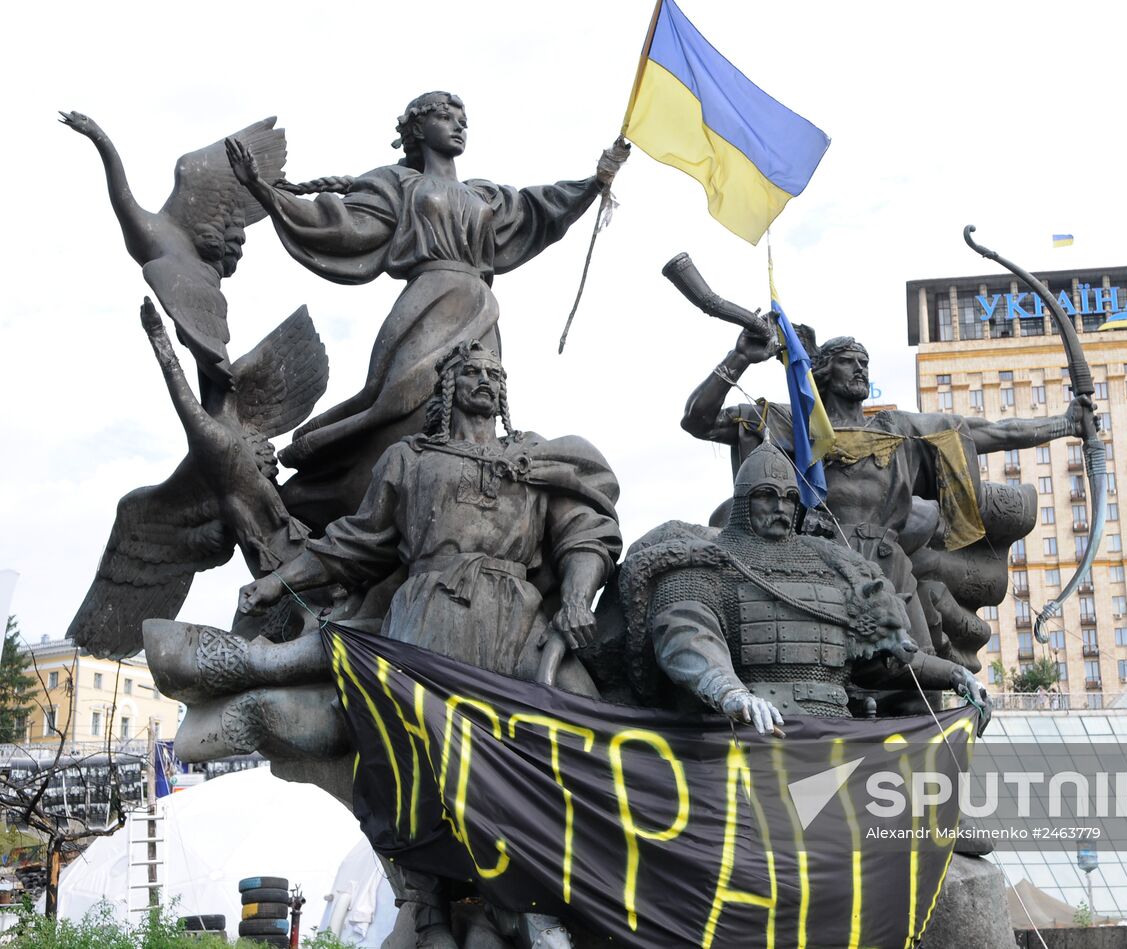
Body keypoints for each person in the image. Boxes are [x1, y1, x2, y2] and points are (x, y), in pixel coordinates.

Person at [227, 91, 629, 528]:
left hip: (479, 309)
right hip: (425, 303)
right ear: (418, 128)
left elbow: (539, 208)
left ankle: (461, 512)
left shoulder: (484, 194)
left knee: (470, 410)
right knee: (399, 411)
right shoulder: (398, 185)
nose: (459, 125)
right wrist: (263, 191)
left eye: (463, 119)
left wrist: (596, 180)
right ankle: (339, 505)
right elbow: (343, 227)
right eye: (446, 116)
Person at [681, 328, 1095, 669]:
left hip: (888, 567)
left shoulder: (898, 431)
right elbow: (698, 419)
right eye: (849, 360)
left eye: (864, 362)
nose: (860, 368)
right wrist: (739, 358)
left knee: (921, 668)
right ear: (822, 371)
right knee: (813, 666)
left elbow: (993, 432)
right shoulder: (791, 424)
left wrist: (1064, 424)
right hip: (816, 563)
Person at [237, 340, 622, 689]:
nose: (485, 379)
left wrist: (575, 599)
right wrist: (277, 583)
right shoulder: (409, 458)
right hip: (430, 610)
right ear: (450, 386)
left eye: (494, 374)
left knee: (584, 707)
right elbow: (354, 542)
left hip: (518, 615)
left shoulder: (533, 456)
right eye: (472, 371)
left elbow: (583, 534)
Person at [619, 442, 986, 735]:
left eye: (788, 498)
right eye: (767, 495)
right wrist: (729, 692)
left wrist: (955, 675)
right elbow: (686, 634)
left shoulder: (837, 566)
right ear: (745, 500)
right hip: (751, 731)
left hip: (835, 731)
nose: (780, 506)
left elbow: (882, 658)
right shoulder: (708, 563)